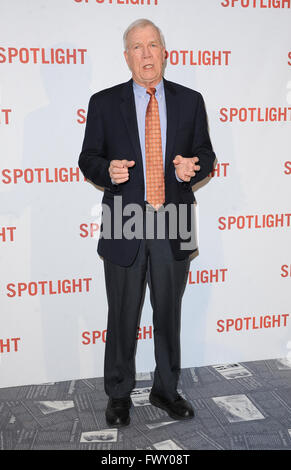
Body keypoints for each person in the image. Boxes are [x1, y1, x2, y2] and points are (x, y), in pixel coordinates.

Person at [78, 18, 215, 427]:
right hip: (124, 218)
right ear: (126, 58)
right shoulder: (104, 102)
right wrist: (109, 172)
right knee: (122, 312)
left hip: (175, 219)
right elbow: (88, 158)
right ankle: (119, 394)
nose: (146, 54)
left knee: (168, 311)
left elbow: (206, 155)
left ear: (164, 52)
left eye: (152, 45)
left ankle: (166, 389)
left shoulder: (191, 100)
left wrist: (194, 166)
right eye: (136, 47)